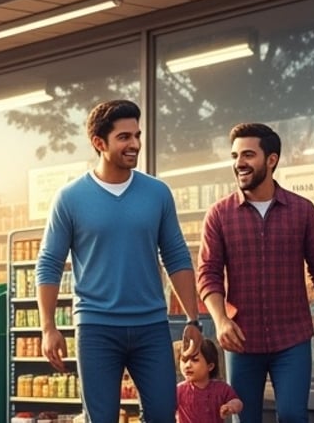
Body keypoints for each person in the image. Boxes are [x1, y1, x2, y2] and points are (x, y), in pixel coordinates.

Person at [36, 99, 203, 423]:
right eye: (124, 137)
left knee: (162, 414)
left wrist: (192, 319)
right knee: (101, 418)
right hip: (96, 327)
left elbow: (177, 256)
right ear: (100, 143)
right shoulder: (69, 198)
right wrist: (48, 327)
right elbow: (49, 263)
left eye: (137, 135)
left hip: (151, 326)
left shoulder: (157, 193)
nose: (135, 144)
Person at [199, 122, 314, 423]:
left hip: (292, 339)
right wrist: (221, 320)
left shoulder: (302, 210)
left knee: (293, 415)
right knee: (245, 419)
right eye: (235, 156)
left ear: (271, 159)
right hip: (241, 340)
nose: (239, 163)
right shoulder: (219, 215)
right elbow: (208, 273)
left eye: (248, 155)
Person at [177, 338, 242, 423]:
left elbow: (238, 402)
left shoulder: (221, 388)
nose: (188, 365)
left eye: (195, 360)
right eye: (184, 360)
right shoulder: (179, 390)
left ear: (210, 366)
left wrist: (231, 406)